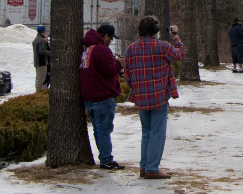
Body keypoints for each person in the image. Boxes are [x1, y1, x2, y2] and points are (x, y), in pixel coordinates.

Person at [124, 16, 186, 179]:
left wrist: (135, 87)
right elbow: (180, 55)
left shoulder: (131, 49)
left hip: (140, 96)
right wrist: (176, 37)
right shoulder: (163, 46)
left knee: (146, 132)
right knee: (157, 133)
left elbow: (127, 74)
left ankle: (144, 166)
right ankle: (152, 168)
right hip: (159, 96)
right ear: (156, 30)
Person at [79, 23, 125, 170]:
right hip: (102, 96)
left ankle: (104, 157)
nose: (111, 41)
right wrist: (119, 63)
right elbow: (109, 70)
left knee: (98, 129)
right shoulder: (102, 50)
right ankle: (106, 159)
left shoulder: (87, 49)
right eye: (110, 38)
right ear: (105, 36)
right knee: (104, 129)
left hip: (89, 97)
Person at [33, 25, 50, 91]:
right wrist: (50, 52)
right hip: (42, 62)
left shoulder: (36, 39)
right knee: (41, 80)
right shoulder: (41, 40)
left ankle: (38, 92)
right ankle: (39, 93)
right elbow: (42, 51)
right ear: (43, 31)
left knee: (38, 79)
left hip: (37, 62)